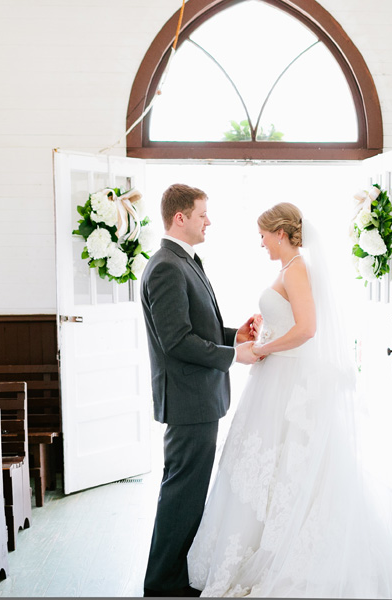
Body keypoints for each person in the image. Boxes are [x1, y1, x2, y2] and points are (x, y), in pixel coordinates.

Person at [186, 202, 392, 599]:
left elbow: (307, 329)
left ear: (280, 233)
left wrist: (266, 349)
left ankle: (293, 555)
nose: (261, 242)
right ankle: (258, 543)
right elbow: (290, 321)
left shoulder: (298, 268)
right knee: (268, 468)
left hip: (288, 378)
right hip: (275, 380)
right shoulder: (286, 270)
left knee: (292, 468)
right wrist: (262, 332)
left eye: (263, 234)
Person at [141, 183, 261, 598]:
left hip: (197, 398)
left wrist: (234, 338)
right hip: (188, 399)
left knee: (187, 494)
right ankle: (162, 585)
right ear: (180, 218)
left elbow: (198, 330)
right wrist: (234, 358)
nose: (208, 221)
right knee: (180, 495)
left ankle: (174, 577)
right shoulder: (165, 267)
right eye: (202, 214)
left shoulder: (184, 261)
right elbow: (176, 341)